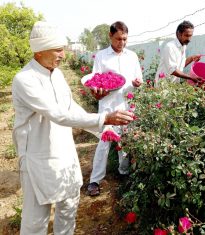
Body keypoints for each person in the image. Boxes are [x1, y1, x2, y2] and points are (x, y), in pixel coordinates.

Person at [11, 21, 134, 235]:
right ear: (40, 50)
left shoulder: (56, 74)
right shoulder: (25, 80)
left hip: (65, 153)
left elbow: (70, 107)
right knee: (36, 222)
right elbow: (57, 114)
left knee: (68, 209)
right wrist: (104, 118)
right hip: (38, 159)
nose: (63, 55)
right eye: (58, 50)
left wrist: (100, 129)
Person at [83, 21, 143, 196]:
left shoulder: (132, 56)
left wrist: (137, 83)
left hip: (127, 104)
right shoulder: (101, 56)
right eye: (118, 39)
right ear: (110, 36)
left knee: (124, 141)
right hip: (108, 106)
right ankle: (95, 180)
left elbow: (138, 78)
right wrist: (98, 92)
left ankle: (123, 172)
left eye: (125, 39)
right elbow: (96, 81)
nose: (122, 43)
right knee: (104, 143)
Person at [154, 20, 203, 86]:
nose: (189, 39)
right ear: (179, 34)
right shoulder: (170, 47)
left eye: (190, 36)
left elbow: (180, 66)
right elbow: (173, 70)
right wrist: (191, 77)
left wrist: (192, 58)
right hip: (162, 86)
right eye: (186, 35)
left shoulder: (183, 46)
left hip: (173, 86)